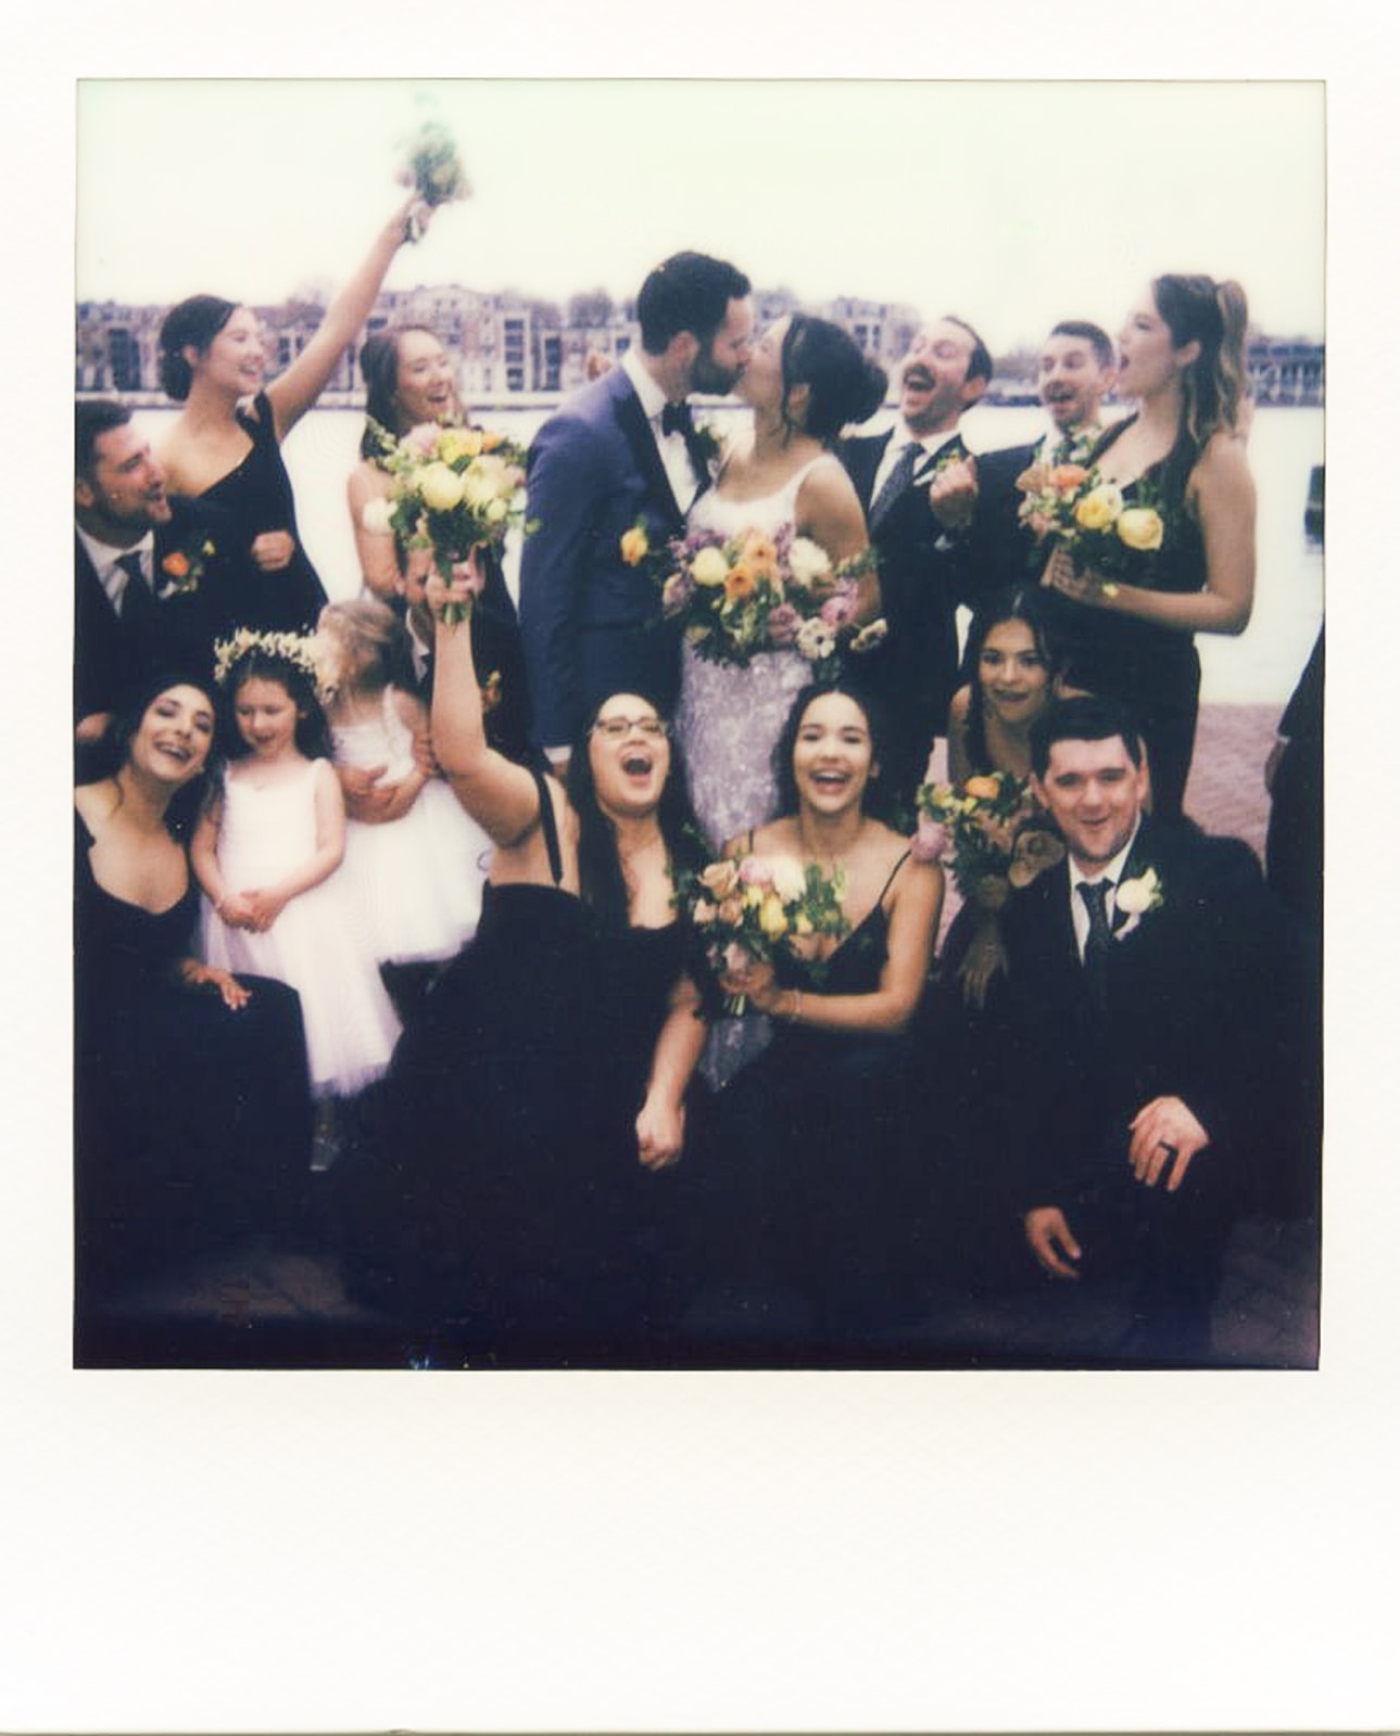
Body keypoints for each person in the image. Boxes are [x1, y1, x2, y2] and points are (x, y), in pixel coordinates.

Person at [367, 560, 713, 1354]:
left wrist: (664, 1099)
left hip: (605, 1097)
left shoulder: (695, 862)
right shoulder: (545, 815)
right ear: (583, 755)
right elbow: (463, 755)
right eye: (614, 727)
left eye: (651, 727)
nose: (636, 736)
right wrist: (452, 620)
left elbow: (689, 997)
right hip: (486, 1084)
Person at [996, 696, 1311, 1362]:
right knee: (1002, 1261)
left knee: (1179, 1181)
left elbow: (1295, 1003)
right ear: (1039, 791)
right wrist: (1037, 1194)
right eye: (1070, 781)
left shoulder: (1215, 871)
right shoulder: (1029, 911)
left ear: (1142, 780)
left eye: (1111, 777)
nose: (1093, 801)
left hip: (1211, 1124)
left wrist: (1206, 1107)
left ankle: (1174, 1333)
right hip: (1107, 1139)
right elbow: (1026, 1066)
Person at [74, 671, 312, 1341]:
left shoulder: (177, 840)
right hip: (74, 1030)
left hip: (142, 1007)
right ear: (132, 727)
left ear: (206, 756)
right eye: (167, 712)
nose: (183, 730)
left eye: (202, 724)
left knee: (269, 1008)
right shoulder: (69, 813)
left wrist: (195, 970)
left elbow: (147, 952)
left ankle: (259, 1213)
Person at [709, 681, 944, 1335]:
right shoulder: (745, 854)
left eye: (851, 737)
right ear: (791, 756)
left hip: (884, 1068)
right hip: (791, 1064)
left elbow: (897, 1010)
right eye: (812, 736)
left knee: (855, 1097)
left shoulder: (911, 867)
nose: (830, 753)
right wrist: (735, 970)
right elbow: (730, 975)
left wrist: (782, 1000)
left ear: (876, 761)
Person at [157, 196, 433, 634]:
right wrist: (240, 555)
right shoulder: (162, 461)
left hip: (309, 627)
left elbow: (336, 331)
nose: (258, 351)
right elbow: (166, 574)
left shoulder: (264, 420)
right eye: (240, 339)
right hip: (230, 646)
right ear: (193, 354)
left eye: (258, 338)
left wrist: (390, 240)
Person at [519, 250, 753, 762]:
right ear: (684, 345)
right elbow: (543, 600)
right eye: (736, 343)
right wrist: (558, 746)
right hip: (600, 719)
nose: (747, 357)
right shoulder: (579, 433)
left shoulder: (680, 416)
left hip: (673, 710)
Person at [1041, 276, 1256, 821]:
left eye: (1142, 326)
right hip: (1073, 675)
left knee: (1136, 840)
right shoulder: (1111, 438)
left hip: (1150, 688)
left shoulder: (1215, 458)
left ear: (1187, 351)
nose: (1122, 337)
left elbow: (1232, 608)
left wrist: (1112, 594)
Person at [192, 634, 402, 1169]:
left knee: (315, 1024)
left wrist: (279, 895)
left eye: (272, 710)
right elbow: (201, 847)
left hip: (299, 916)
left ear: (301, 707)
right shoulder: (225, 774)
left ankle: (320, 1134)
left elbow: (331, 848)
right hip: (234, 921)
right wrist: (224, 898)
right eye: (245, 711)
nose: (258, 723)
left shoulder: (318, 773)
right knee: (247, 1027)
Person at [678, 312, 886, 851]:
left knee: (755, 841)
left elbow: (865, 600)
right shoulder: (728, 448)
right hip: (704, 682)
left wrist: (802, 626)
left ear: (798, 392)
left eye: (764, 347)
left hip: (769, 695)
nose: (746, 353)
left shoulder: (823, 481)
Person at [347, 323, 529, 767]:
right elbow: (382, 580)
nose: (439, 376)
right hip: (424, 642)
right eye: (420, 368)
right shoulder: (370, 477)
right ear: (391, 389)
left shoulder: (482, 452)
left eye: (443, 362)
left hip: (495, 625)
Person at [840, 316, 993, 813]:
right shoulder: (843, 453)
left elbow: (978, 591)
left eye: (943, 352)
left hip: (903, 698)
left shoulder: (982, 480)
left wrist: (956, 528)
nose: (921, 358)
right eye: (917, 346)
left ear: (974, 386)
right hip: (815, 683)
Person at [316, 596, 492, 1012]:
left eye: (328, 641)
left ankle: (444, 996)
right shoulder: (325, 706)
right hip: (358, 827)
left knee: (425, 910)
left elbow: (428, 756)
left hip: (416, 817)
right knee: (375, 923)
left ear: (362, 655)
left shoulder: (398, 702)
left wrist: (408, 790)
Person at [74, 401, 244, 746]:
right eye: (132, 465)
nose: (158, 475)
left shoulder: (210, 530)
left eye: (148, 454)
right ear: (83, 492)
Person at [965, 319, 1119, 597]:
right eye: (1047, 367)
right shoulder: (994, 469)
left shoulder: (1129, 470)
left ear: (1107, 378)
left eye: (1072, 364)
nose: (1055, 376)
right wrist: (956, 520)